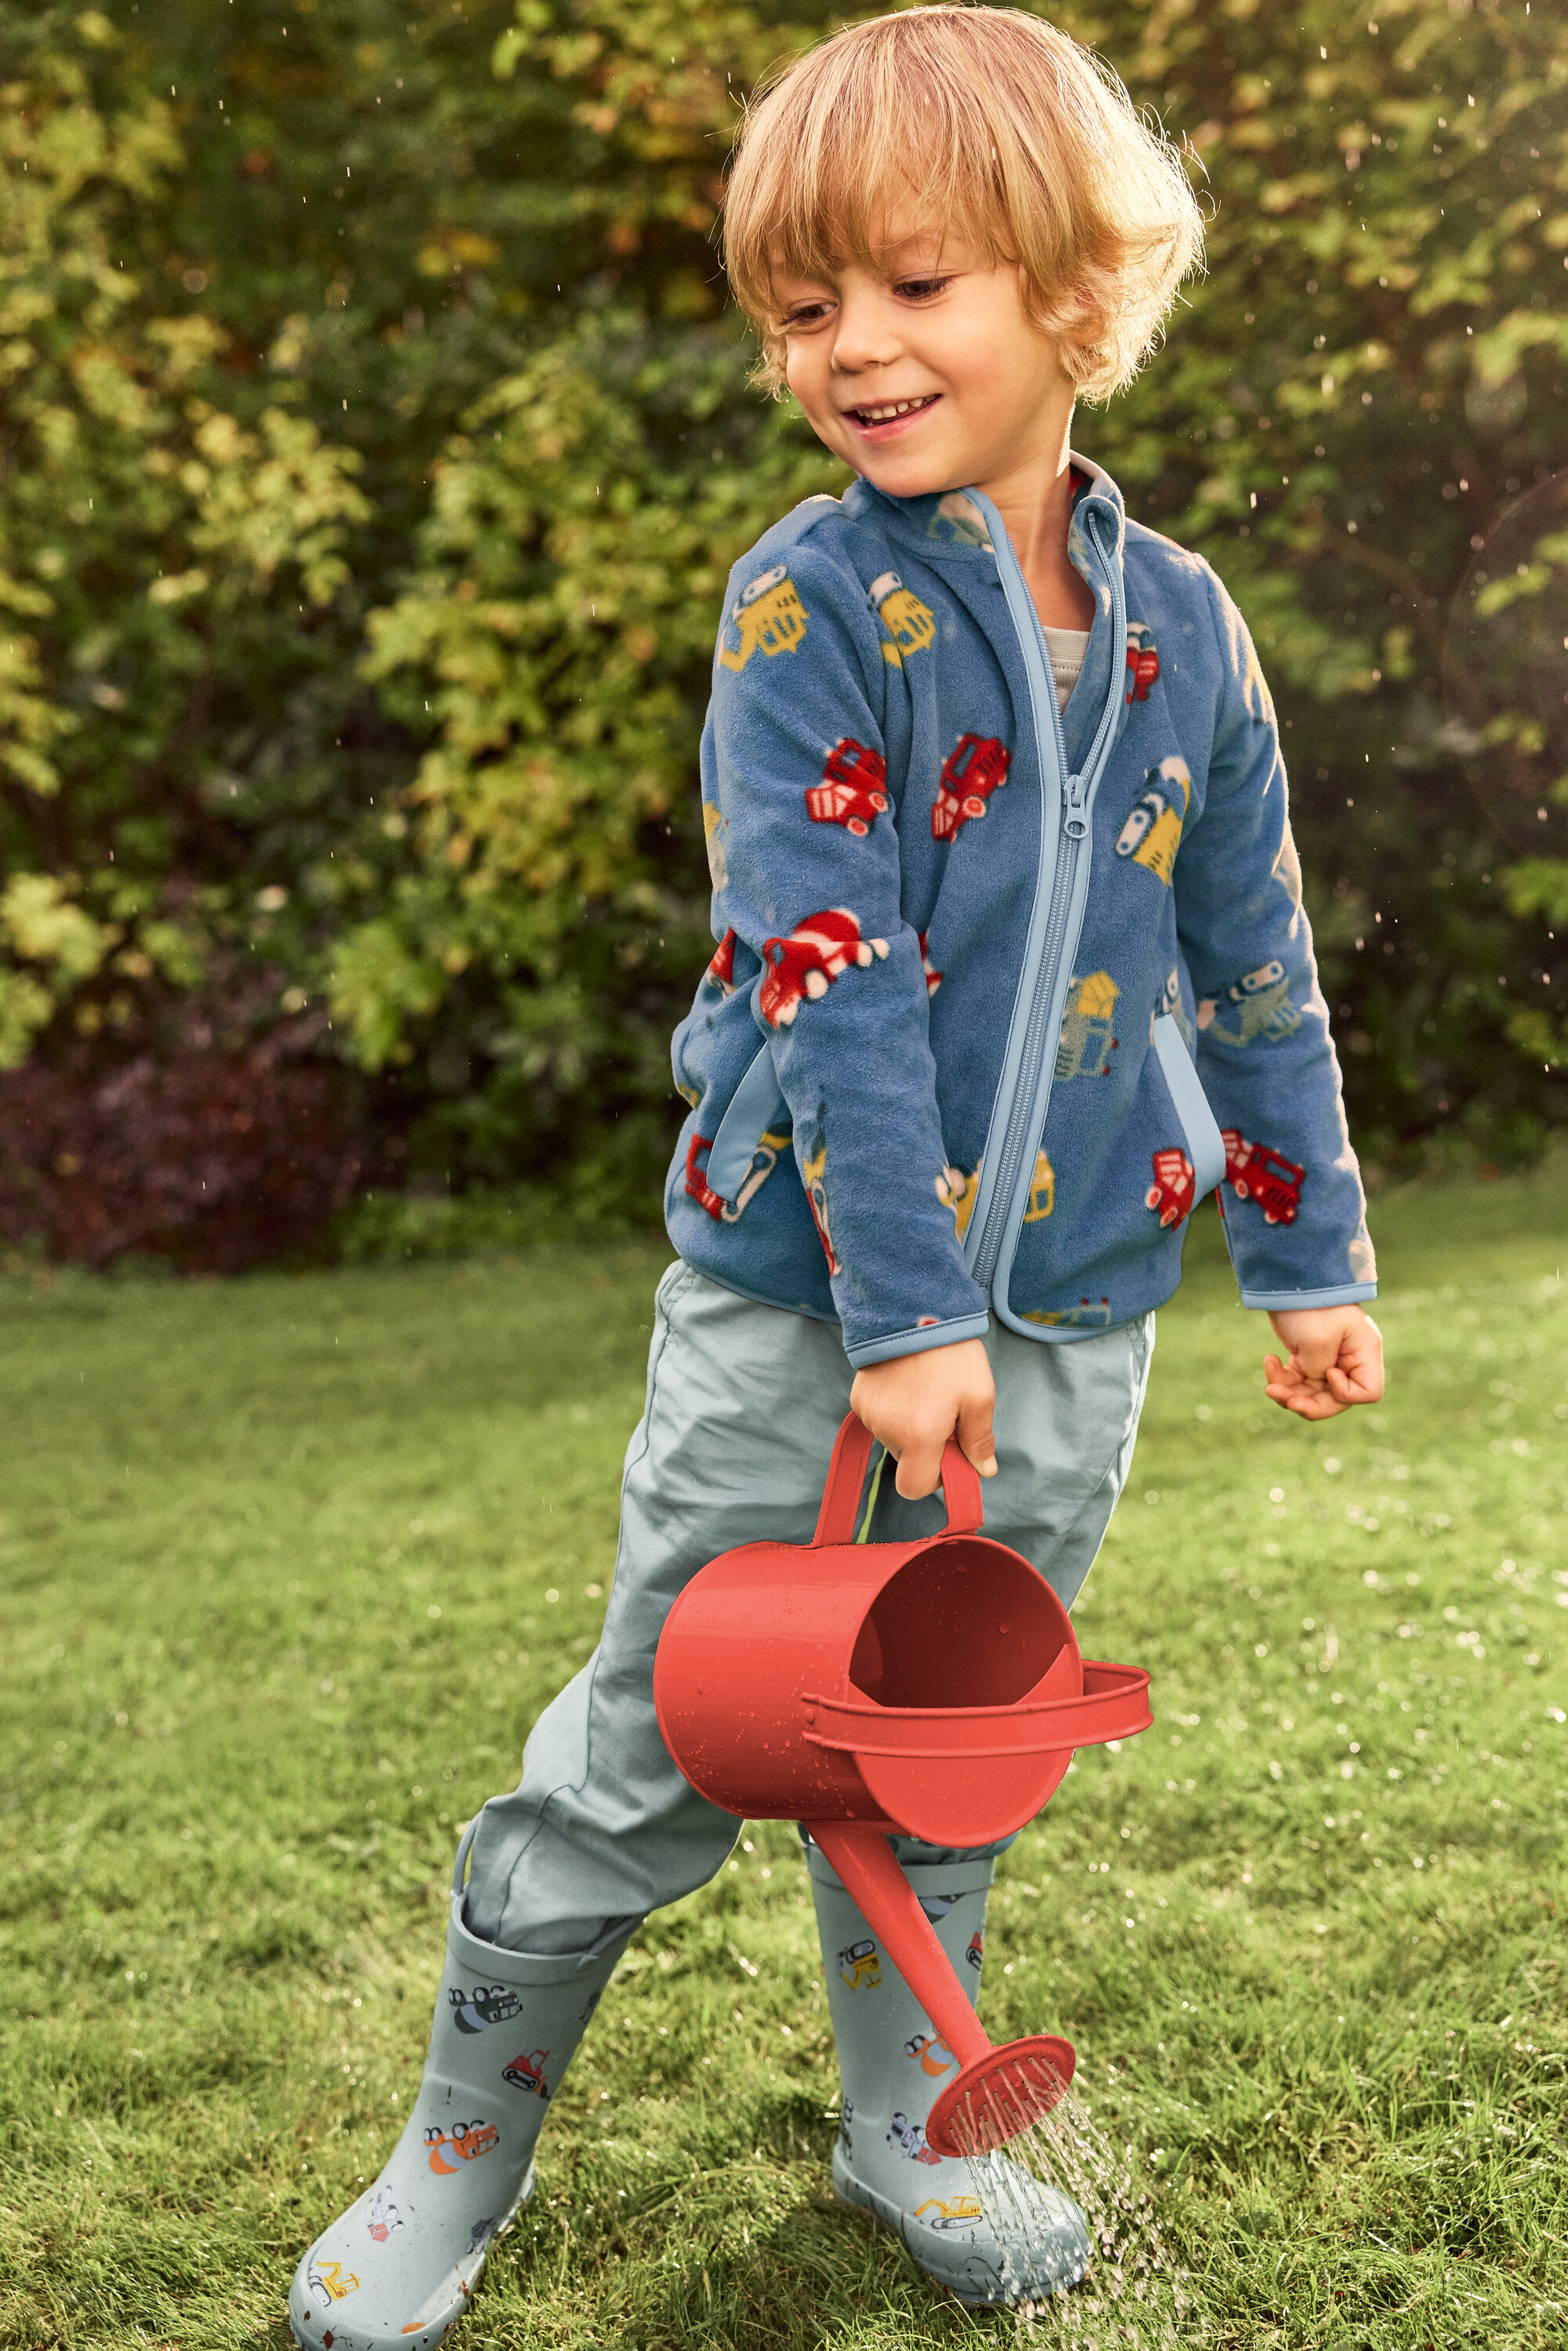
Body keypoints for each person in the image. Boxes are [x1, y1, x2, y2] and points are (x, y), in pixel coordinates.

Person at [288, 9, 1385, 2342]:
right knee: (649, 1748)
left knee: (949, 1743)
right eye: (804, 308)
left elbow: (1252, 959)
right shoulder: (807, 606)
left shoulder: (1188, 630)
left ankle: (909, 2130)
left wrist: (1308, 1248)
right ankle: (451, 2161)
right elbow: (833, 972)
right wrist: (901, 1316)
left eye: (913, 285)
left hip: (1075, 1311)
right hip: (804, 1303)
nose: (850, 348)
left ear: (1073, 293)